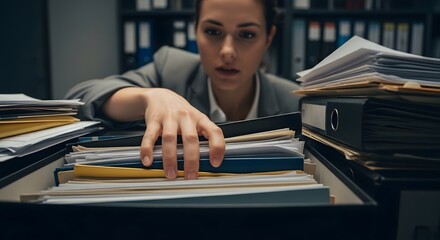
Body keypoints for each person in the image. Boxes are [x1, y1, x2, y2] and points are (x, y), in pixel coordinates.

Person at [65, 0, 301, 180]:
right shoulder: (170, 70)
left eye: (247, 34)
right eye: (213, 31)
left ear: (269, 38)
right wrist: (151, 97)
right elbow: (80, 98)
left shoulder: (295, 102)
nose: (228, 51)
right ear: (195, 29)